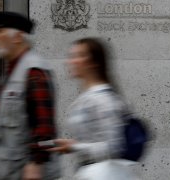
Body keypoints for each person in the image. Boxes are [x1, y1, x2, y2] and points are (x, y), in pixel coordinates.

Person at [0, 12, 59, 180]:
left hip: (21, 174)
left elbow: (45, 128)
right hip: (2, 171)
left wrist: (36, 163)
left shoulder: (34, 72)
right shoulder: (10, 72)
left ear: (18, 37)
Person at [48, 38, 139, 179]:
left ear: (94, 63)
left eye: (78, 56)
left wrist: (74, 146)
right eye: (72, 56)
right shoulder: (89, 96)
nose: (70, 61)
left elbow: (114, 146)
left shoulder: (104, 99)